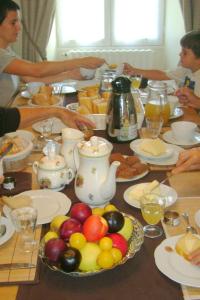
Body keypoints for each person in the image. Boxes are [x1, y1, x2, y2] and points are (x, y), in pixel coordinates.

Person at [0, 0, 106, 106]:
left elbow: (30, 78)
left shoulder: (7, 51)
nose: (19, 27)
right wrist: (81, 62)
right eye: (13, 22)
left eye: (18, 22)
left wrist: (69, 74)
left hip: (11, 107)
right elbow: (37, 70)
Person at [124, 30, 200, 99]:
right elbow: (161, 74)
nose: (180, 54)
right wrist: (133, 70)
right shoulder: (186, 70)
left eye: (185, 53)